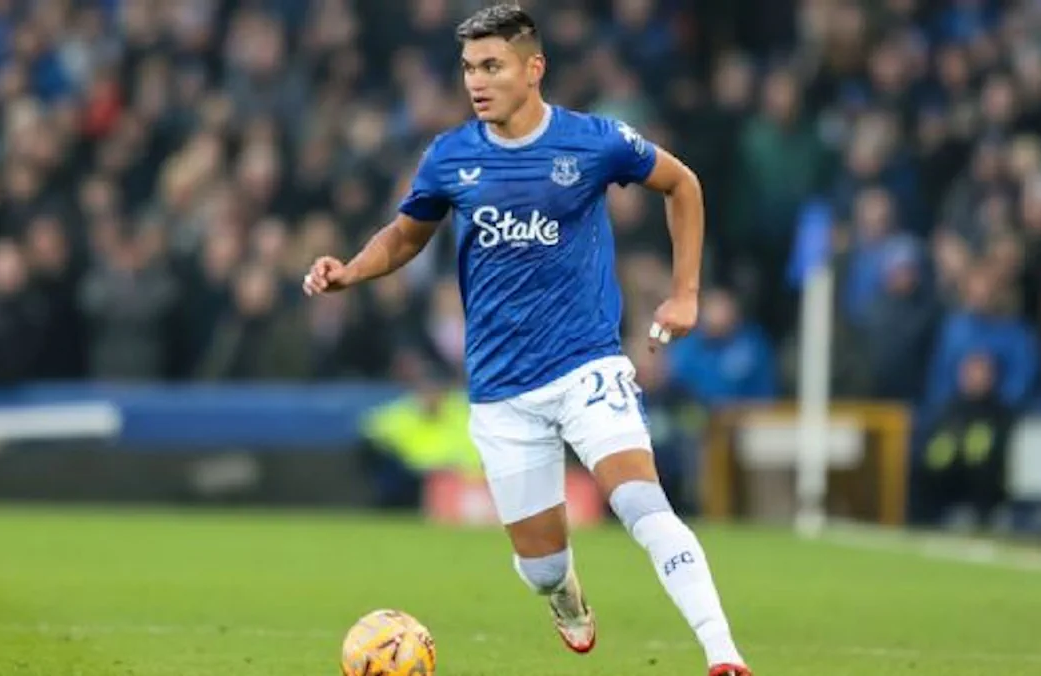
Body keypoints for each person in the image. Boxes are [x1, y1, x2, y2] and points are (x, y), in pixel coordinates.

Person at [302, 6, 751, 675]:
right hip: (502, 390)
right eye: (468, 68)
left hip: (587, 365)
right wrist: (351, 271)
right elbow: (405, 235)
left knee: (641, 505)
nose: (476, 82)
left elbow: (680, 183)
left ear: (532, 68)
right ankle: (564, 595)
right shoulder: (450, 155)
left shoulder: (593, 142)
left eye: (491, 66)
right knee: (540, 566)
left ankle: (723, 655)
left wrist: (685, 292)